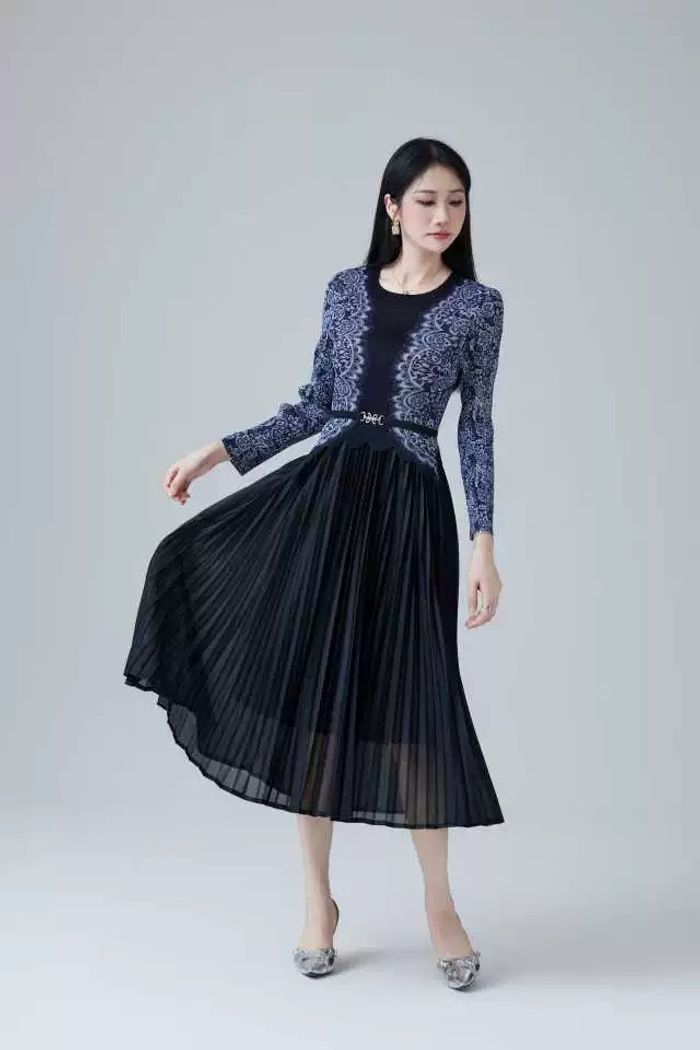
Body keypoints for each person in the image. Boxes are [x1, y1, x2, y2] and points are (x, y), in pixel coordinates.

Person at [123, 136, 505, 991]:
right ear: (391, 207)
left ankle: (439, 904)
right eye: (427, 200)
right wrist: (218, 452)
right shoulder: (344, 291)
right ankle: (317, 902)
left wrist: (484, 540)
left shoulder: (479, 307)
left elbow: (475, 425)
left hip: (410, 511)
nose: (443, 216)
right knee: (315, 697)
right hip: (327, 501)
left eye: (456, 201)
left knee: (414, 701)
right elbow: (313, 407)